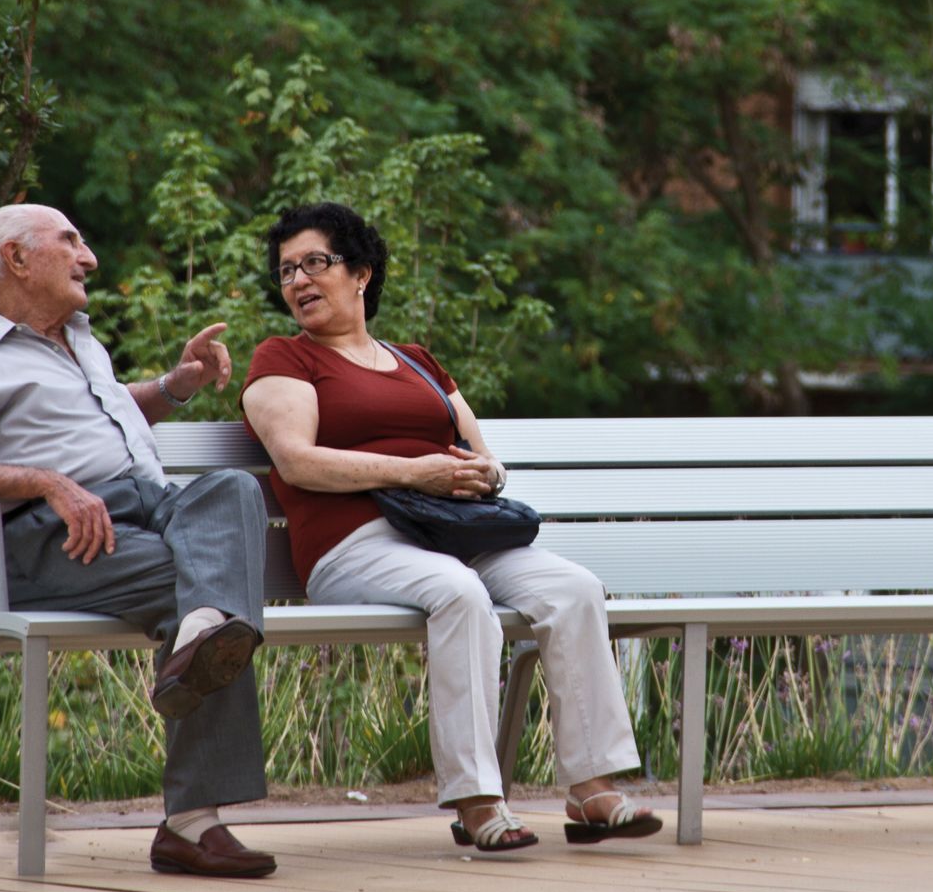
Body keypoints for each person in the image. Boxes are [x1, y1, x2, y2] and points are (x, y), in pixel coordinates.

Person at [240, 201, 660, 852]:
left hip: (455, 533)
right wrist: (415, 474)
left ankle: (589, 785)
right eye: (286, 269)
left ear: (362, 272)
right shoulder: (285, 359)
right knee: (458, 595)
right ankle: (475, 797)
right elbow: (298, 461)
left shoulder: (417, 361)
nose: (297, 280)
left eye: (314, 262)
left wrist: (483, 476)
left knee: (573, 587)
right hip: (354, 543)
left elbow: (483, 456)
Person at [0, 203, 276, 878]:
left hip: (142, 506)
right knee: (215, 584)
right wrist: (46, 481)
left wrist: (175, 384)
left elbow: (102, 418)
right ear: (16, 258)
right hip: (52, 536)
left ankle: (198, 634)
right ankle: (192, 819)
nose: (89, 256)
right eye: (70, 240)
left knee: (235, 492)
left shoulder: (79, 339)